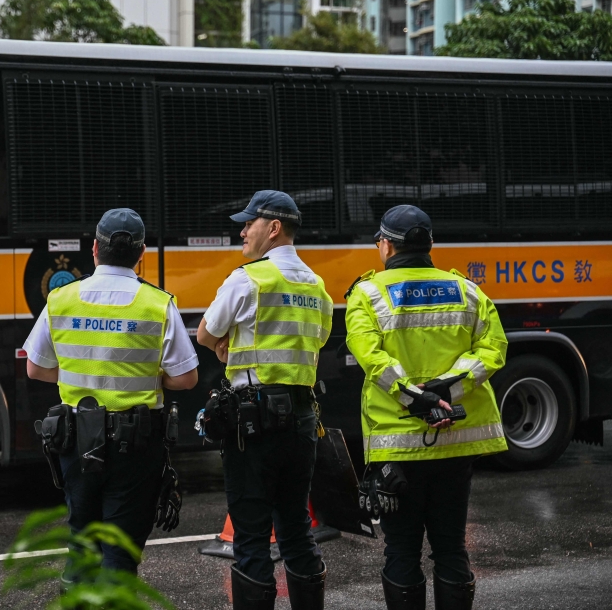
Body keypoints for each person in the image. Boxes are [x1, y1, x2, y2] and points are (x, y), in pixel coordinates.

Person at [345, 204, 508, 610]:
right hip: (455, 442)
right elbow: (493, 349)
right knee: (451, 547)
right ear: (430, 243)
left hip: (398, 448)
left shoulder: (367, 294)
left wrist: (415, 397)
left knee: (402, 550)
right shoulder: (467, 290)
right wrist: (447, 389)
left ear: (386, 246)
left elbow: (373, 359)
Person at [23, 208, 199, 575]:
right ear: (141, 254)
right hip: (135, 445)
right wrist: (148, 378)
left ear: (94, 249)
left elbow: (35, 368)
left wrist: (83, 375)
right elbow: (186, 379)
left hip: (75, 440)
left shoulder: (61, 298)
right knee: (119, 552)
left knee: (82, 544)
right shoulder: (157, 303)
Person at [196, 190, 332, 610]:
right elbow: (316, 342)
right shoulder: (317, 285)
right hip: (302, 421)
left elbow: (205, 334)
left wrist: (226, 348)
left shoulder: (248, 279)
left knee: (252, 536)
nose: (242, 231)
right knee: (296, 529)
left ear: (273, 228)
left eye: (248, 223)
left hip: (253, 424)